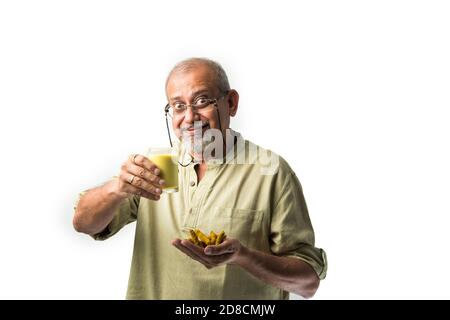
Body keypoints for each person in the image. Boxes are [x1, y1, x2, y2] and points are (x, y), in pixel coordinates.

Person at [73, 57, 327, 299]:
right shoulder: (153, 166)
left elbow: (308, 283)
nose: (190, 117)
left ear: (231, 103)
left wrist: (243, 257)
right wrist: (117, 189)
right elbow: (83, 223)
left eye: (202, 101)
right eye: (178, 106)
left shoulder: (270, 171)